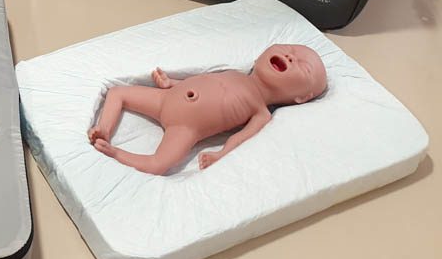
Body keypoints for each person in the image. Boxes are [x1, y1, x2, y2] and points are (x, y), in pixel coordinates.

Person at [88, 44, 326, 175]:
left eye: (304, 67)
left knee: (159, 164)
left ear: (301, 98)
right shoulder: (235, 73)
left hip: (185, 128)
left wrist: (220, 154)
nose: (290, 57)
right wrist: (171, 83)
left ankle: (115, 153)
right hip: (166, 99)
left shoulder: (261, 112)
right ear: (257, 59)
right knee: (117, 93)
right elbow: (203, 81)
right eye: (290, 49)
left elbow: (240, 138)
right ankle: (104, 130)